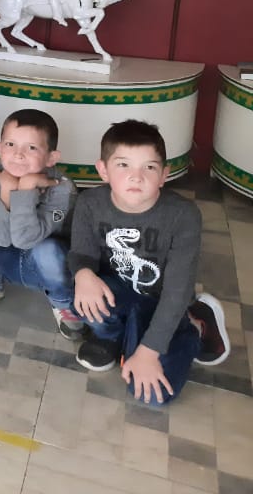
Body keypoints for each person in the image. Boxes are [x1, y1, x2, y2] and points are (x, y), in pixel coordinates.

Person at [69, 120, 231, 405]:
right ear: (103, 170)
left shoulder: (183, 215)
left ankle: (196, 327)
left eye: (149, 167)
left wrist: (149, 351)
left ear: (164, 175)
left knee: (155, 396)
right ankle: (112, 336)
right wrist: (82, 274)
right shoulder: (89, 203)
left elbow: (177, 291)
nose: (136, 177)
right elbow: (81, 254)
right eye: (123, 165)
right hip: (119, 292)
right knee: (81, 295)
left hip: (163, 302)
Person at [0, 109, 84, 337]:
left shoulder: (62, 188)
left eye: (31, 148)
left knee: (49, 250)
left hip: (41, 267)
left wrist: (25, 189)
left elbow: (26, 240)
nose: (18, 154)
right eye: (10, 144)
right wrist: (6, 191)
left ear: (51, 158)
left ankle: (62, 301)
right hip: (4, 253)